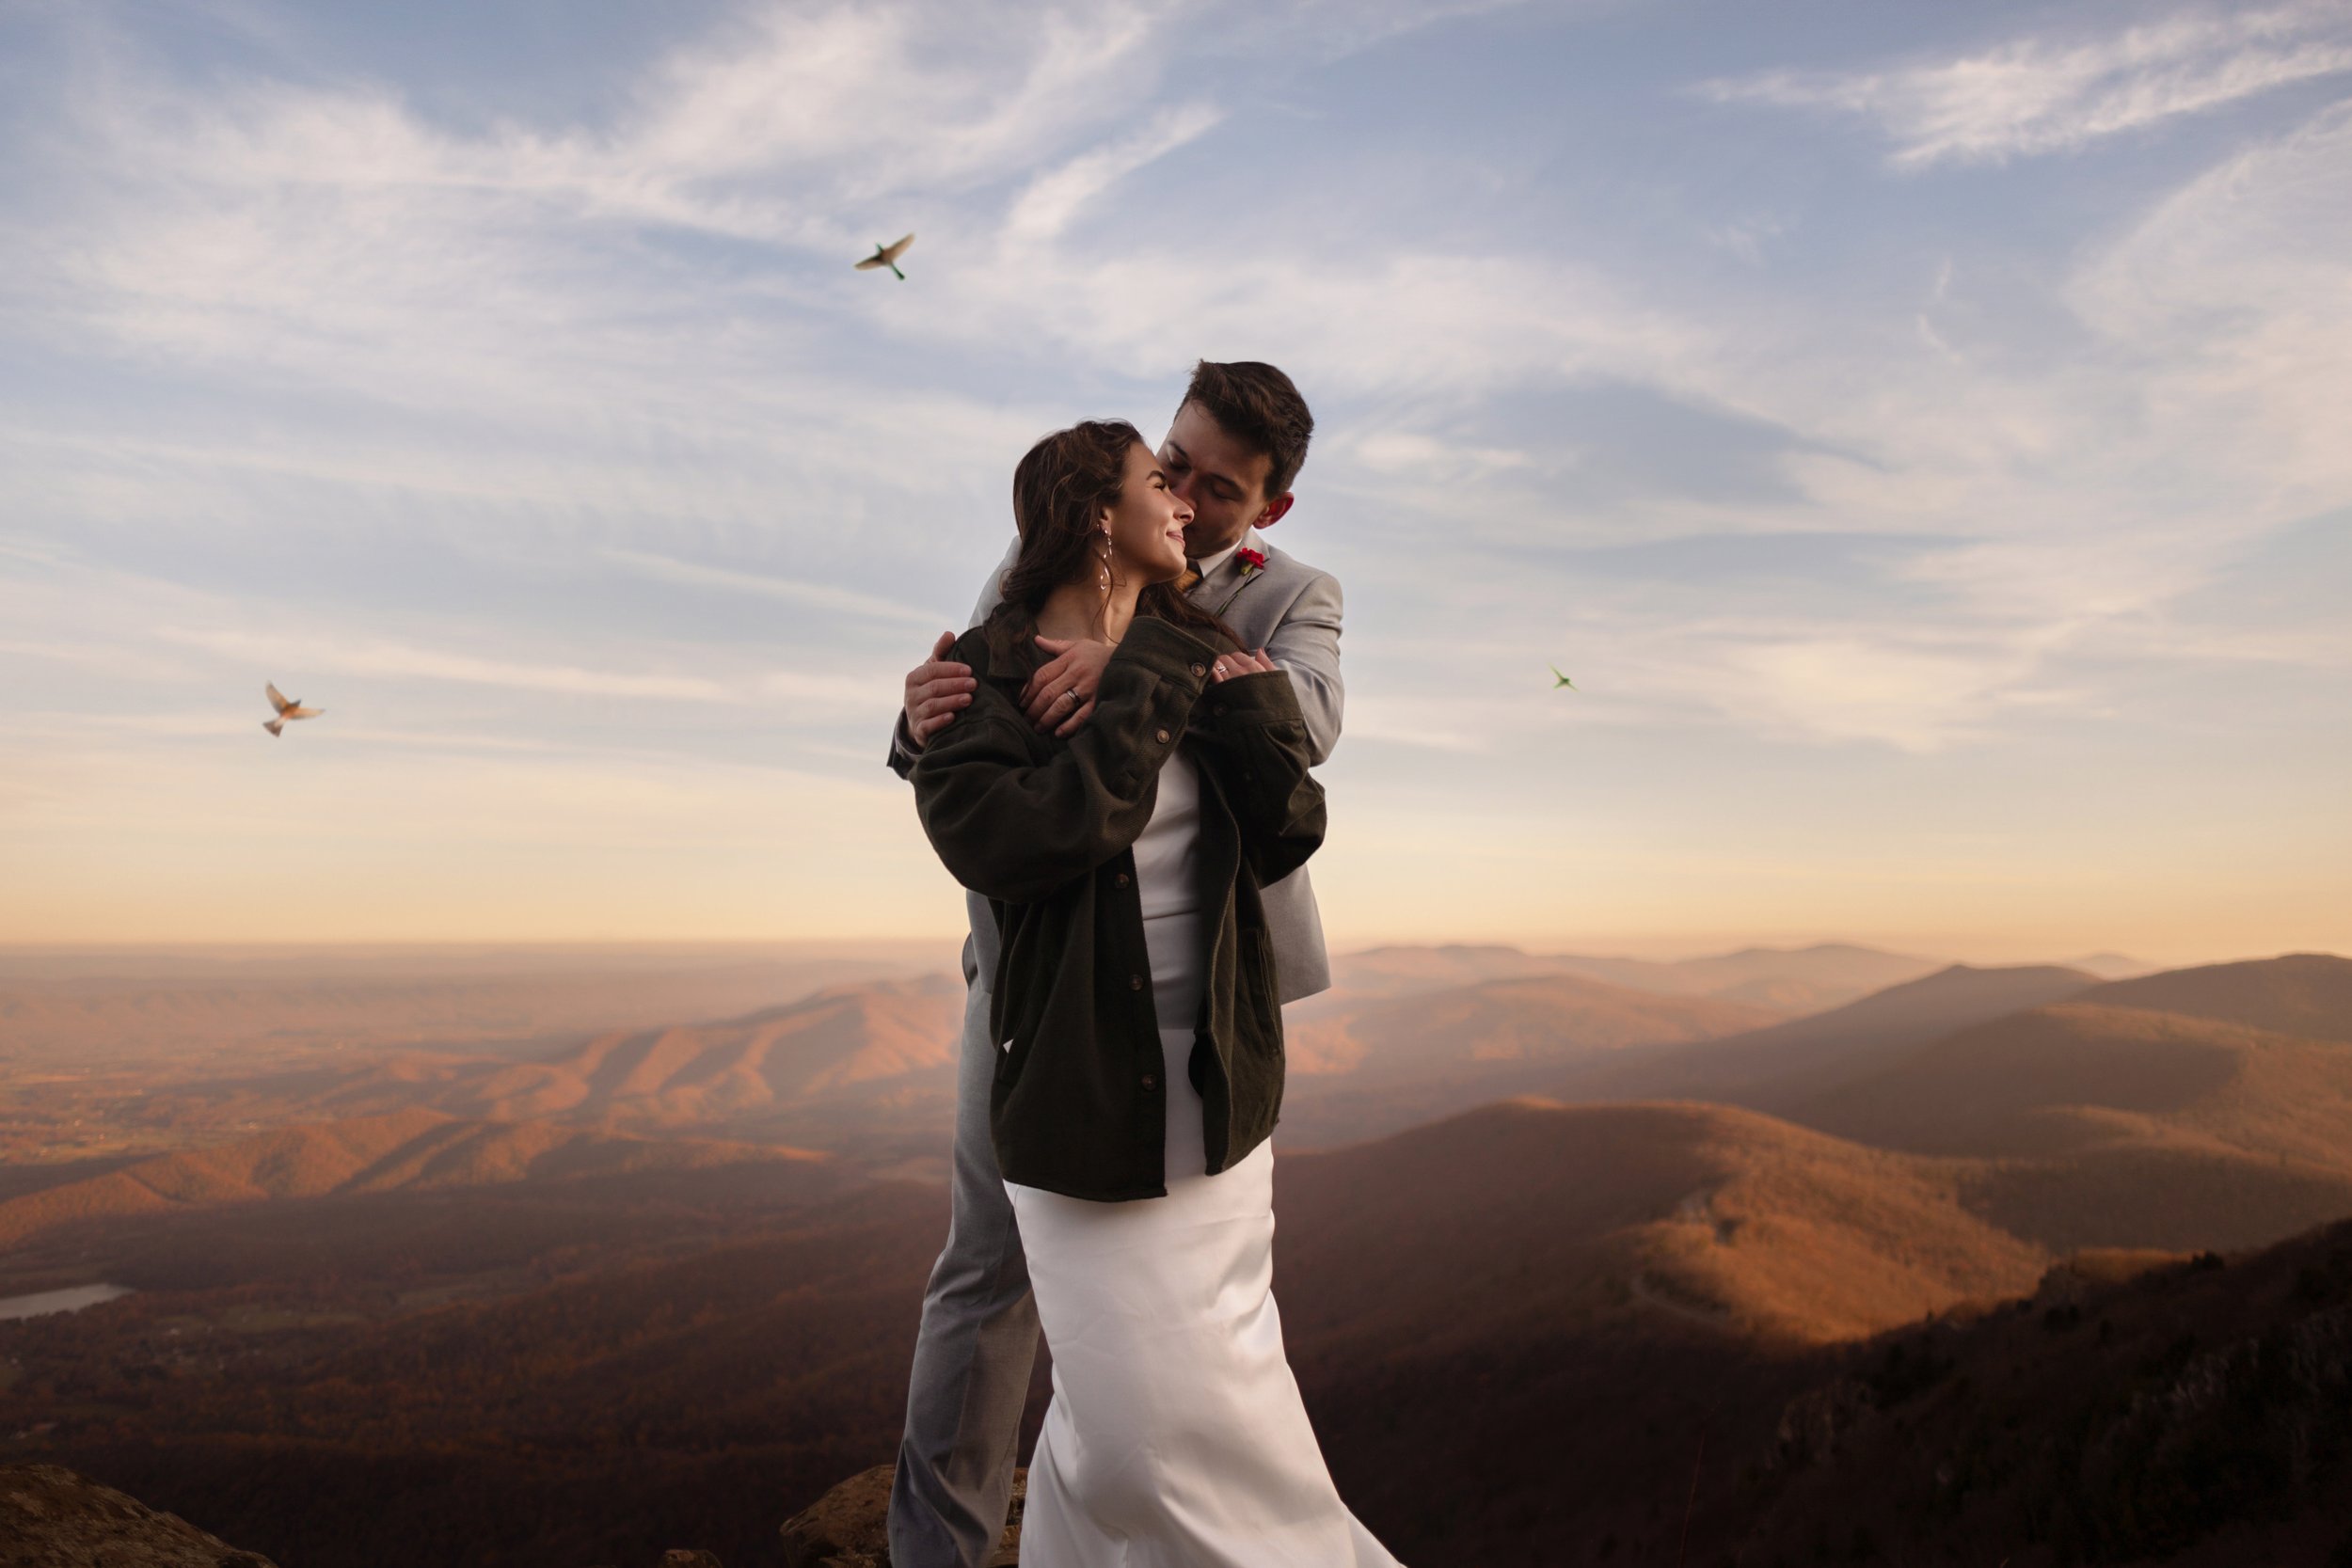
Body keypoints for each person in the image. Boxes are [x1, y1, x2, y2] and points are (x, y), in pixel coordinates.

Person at [901, 416, 1398, 1566]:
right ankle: (933, 1550)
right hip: (1065, 1046)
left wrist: (1157, 665)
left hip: (1214, 1057)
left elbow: (1296, 795)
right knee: (1055, 1343)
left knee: (1208, 1386)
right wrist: (923, 717)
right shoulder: (1034, 624)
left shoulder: (1258, 609)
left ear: (1265, 506)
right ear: (1101, 513)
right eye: (1166, 469)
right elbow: (1017, 782)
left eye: (1210, 484)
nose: (1180, 493)